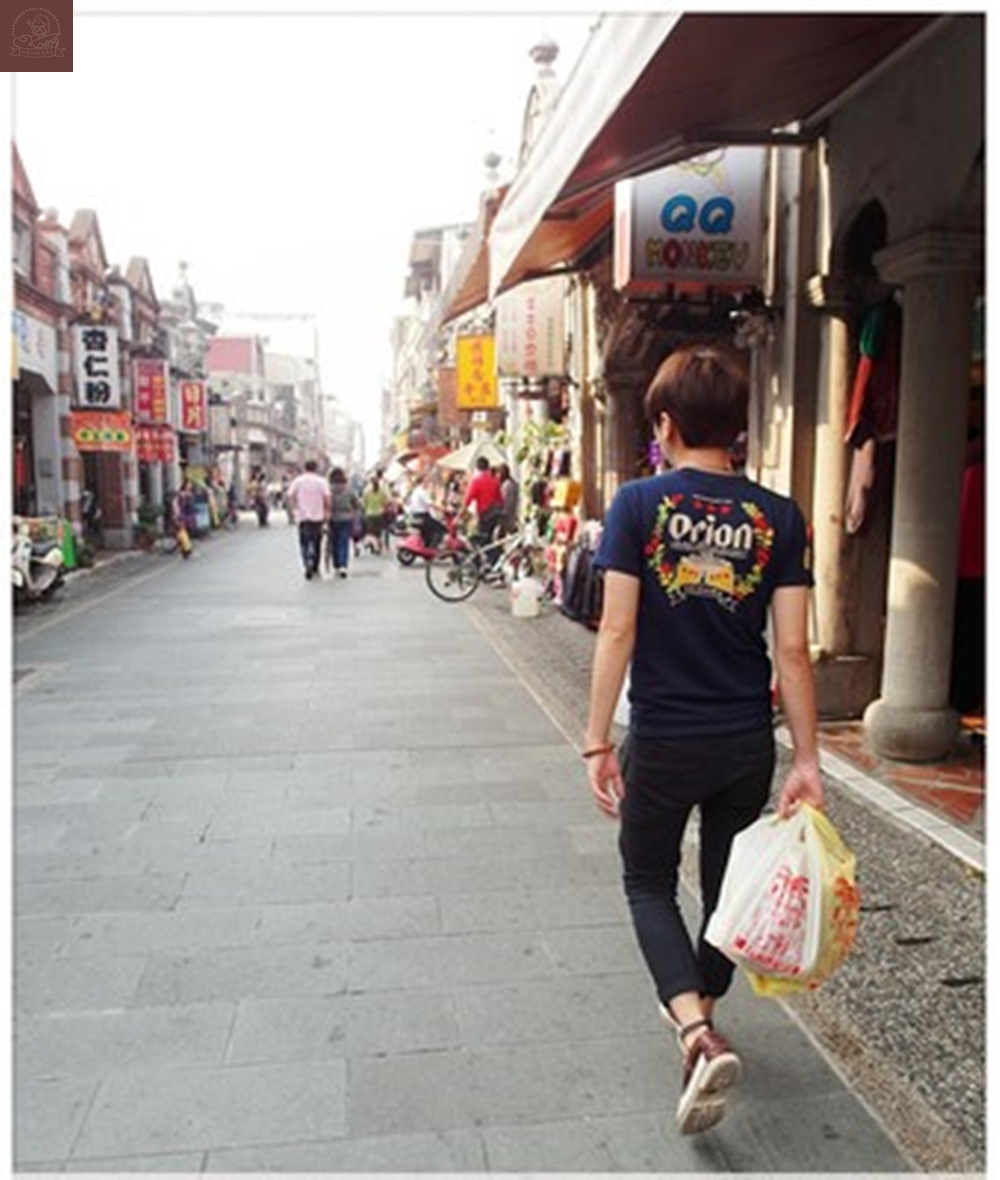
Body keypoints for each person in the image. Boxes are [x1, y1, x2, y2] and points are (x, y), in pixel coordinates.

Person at [583, 342, 823, 1136]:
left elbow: (617, 629)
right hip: (744, 741)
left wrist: (595, 740)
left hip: (665, 737)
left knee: (647, 879)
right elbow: (793, 651)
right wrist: (808, 759)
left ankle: (695, 1032)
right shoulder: (780, 517)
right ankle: (704, 1026)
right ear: (736, 426)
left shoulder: (637, 505)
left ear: (664, 423)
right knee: (726, 890)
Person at [286, 459, 331, 580]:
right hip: (318, 517)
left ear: (304, 468)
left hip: (302, 517)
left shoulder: (298, 481)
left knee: (304, 541)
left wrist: (294, 509)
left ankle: (307, 561)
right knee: (317, 541)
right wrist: (327, 512)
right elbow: (327, 498)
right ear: (316, 468)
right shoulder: (321, 481)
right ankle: (315, 565)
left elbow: (290, 495)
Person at [463, 455, 503, 556]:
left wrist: (460, 515)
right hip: (495, 514)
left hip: (484, 514)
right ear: (488, 467)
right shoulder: (495, 481)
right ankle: (493, 558)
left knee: (480, 538)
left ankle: (487, 559)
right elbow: (500, 500)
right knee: (489, 538)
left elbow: (467, 500)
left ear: (477, 468)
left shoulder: (476, 481)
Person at [327, 466, 360, 579]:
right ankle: (343, 566)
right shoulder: (349, 490)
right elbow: (357, 504)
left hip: (332, 518)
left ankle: (336, 564)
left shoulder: (329, 490)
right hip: (346, 518)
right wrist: (355, 517)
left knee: (334, 542)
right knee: (344, 542)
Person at [361, 473, 390, 555]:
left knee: (371, 532)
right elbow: (385, 503)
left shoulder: (366, 491)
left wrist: (365, 509)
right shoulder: (382, 491)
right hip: (380, 514)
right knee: (378, 533)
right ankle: (378, 547)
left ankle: (374, 547)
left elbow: (364, 504)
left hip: (369, 514)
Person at [497, 462, 520, 536]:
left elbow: (507, 502)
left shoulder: (507, 485)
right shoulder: (511, 484)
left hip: (506, 516)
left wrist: (502, 513)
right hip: (510, 515)